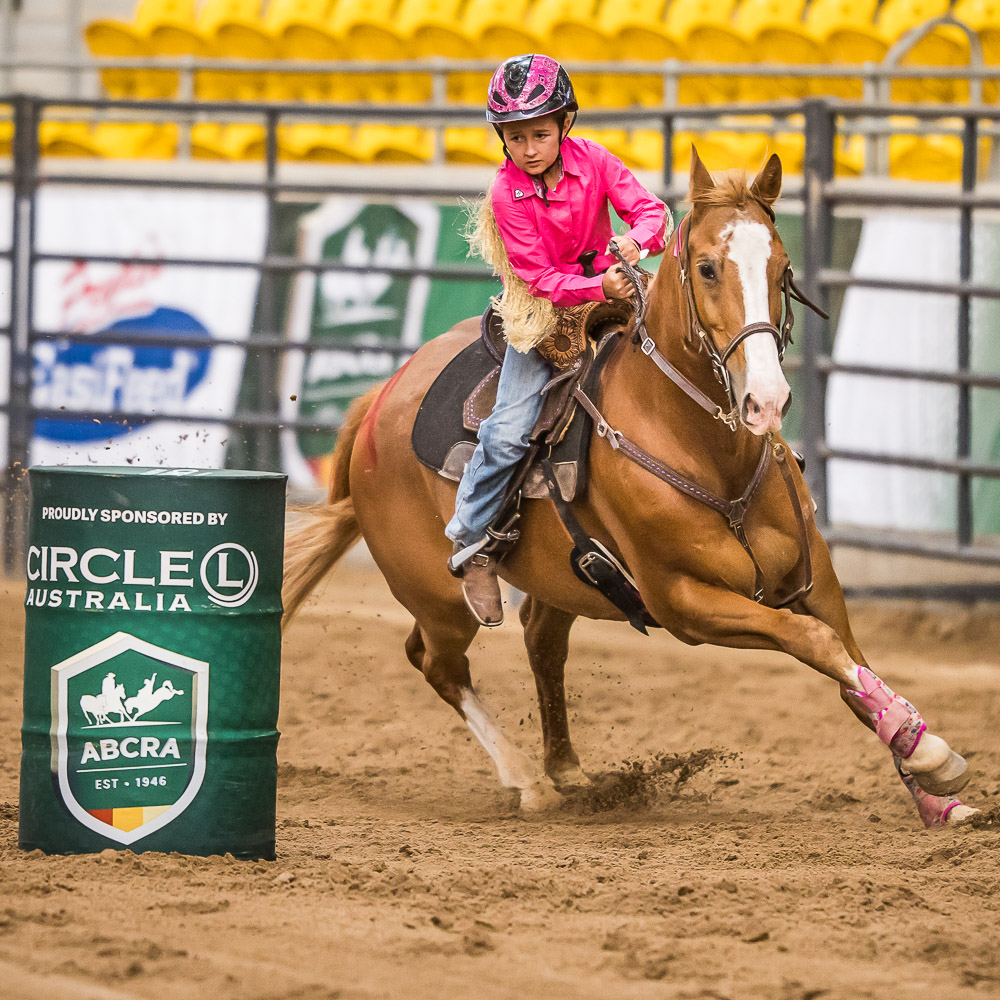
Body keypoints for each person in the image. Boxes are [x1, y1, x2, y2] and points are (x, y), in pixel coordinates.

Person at [445, 53, 669, 627]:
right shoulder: (505, 194)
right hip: (540, 309)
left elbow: (649, 213)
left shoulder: (595, 160)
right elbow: (540, 278)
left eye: (540, 133)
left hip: (610, 281)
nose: (529, 148)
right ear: (502, 139)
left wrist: (634, 246)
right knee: (509, 427)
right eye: (515, 137)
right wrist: (600, 284)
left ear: (564, 125)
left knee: (688, 354)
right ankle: (471, 542)